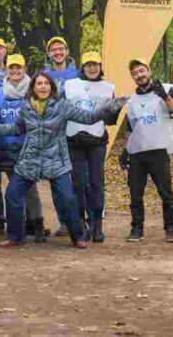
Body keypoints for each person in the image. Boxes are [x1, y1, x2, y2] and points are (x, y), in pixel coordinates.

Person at [0, 73, 126, 248]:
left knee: (68, 198)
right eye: (39, 83)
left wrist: (109, 109)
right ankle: (16, 236)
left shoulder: (63, 106)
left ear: (52, 88)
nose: (43, 86)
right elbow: (17, 129)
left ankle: (77, 236)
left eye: (46, 83)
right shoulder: (26, 108)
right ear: (33, 88)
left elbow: (89, 118)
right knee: (12, 195)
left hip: (56, 161)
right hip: (29, 160)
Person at [124, 58, 173, 243]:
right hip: (138, 151)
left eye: (142, 71)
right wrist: (125, 151)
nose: (139, 75)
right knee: (135, 192)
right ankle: (136, 228)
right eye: (135, 73)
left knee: (165, 191)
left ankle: (170, 228)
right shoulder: (131, 100)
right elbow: (130, 128)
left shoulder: (164, 89)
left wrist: (164, 96)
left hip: (159, 148)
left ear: (148, 71)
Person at [0, 54, 48, 241]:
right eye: (12, 68)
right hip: (4, 146)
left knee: (29, 188)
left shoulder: (32, 92)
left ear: (24, 69)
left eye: (19, 68)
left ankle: (37, 225)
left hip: (25, 147)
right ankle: (2, 221)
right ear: (6, 69)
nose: (15, 71)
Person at [64, 51, 115, 242]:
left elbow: (111, 120)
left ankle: (97, 225)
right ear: (82, 67)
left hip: (96, 140)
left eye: (95, 65)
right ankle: (81, 223)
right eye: (88, 65)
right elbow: (62, 109)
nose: (92, 68)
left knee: (96, 183)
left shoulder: (108, 88)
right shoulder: (69, 85)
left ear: (101, 67)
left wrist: (113, 110)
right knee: (77, 182)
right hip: (74, 139)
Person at [41, 36, 80, 237]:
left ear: (66, 51)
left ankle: (80, 219)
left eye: (60, 49)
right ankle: (63, 221)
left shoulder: (78, 73)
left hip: (75, 132)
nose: (57, 52)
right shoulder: (43, 75)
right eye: (53, 50)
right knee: (56, 179)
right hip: (53, 134)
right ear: (49, 53)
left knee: (77, 179)